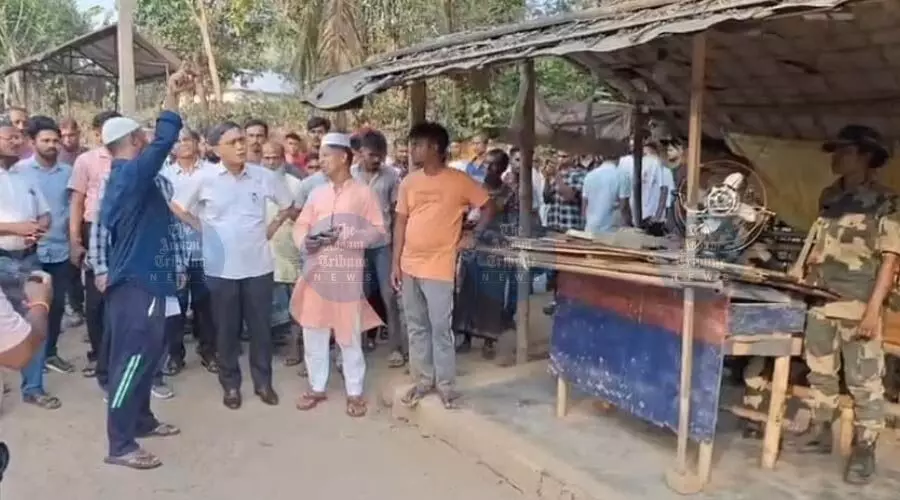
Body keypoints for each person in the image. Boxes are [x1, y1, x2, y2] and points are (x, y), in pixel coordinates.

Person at [785, 125, 900, 485]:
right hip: (822, 298)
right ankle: (821, 430)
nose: (836, 157)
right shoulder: (830, 196)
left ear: (866, 156)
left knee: (864, 380)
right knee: (820, 370)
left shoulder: (887, 203)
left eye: (845, 151)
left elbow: (890, 261)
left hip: (857, 303)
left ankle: (865, 448)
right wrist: (803, 273)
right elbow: (819, 243)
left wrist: (872, 311)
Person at [97, 69, 192, 470]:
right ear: (135, 140)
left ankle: (141, 421)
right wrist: (171, 94)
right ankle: (120, 444)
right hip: (137, 285)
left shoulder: (128, 180)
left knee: (146, 358)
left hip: (145, 282)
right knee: (131, 362)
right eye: (143, 136)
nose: (148, 140)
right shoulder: (131, 175)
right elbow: (166, 138)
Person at [173, 122, 294, 410]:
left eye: (242, 140)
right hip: (221, 269)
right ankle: (230, 385)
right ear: (216, 149)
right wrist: (202, 228)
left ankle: (263, 383)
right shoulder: (204, 178)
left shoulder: (262, 176)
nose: (241, 146)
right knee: (226, 330)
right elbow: (177, 206)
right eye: (233, 142)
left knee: (260, 329)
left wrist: (272, 227)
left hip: (258, 265)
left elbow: (288, 204)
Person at [393, 122, 495, 409]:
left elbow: (489, 206)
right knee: (416, 326)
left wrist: (473, 235)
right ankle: (422, 381)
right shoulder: (409, 182)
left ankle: (446, 386)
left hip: (439, 266)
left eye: (417, 145)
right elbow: (400, 222)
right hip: (409, 265)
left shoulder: (459, 181)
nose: (412, 150)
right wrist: (395, 263)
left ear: (435, 148)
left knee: (440, 327)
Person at [292, 132, 385, 417]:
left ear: (343, 157)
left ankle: (354, 392)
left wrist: (347, 238)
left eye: (325, 156)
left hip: (346, 275)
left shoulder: (363, 193)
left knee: (349, 334)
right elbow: (301, 225)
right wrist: (307, 241)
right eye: (319, 156)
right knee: (313, 331)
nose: (320, 161)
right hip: (316, 273)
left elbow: (378, 231)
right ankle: (316, 387)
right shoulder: (317, 193)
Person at [0, 117, 55, 409]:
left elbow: (45, 213)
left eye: (18, 137)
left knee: (36, 315)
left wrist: (40, 227)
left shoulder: (26, 175)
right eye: (9, 137)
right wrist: (15, 228)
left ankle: (33, 388)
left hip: (28, 257)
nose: (16, 141)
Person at [16, 117, 76, 377]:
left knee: (57, 306)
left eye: (55, 140)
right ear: (32, 142)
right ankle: (28, 360)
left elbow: (73, 208)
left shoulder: (67, 172)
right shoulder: (20, 171)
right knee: (30, 308)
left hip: (60, 249)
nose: (52, 145)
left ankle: (50, 353)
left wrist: (74, 242)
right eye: (46, 140)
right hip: (29, 252)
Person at [69, 110, 121, 379]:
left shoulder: (130, 157)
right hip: (93, 230)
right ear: (98, 133)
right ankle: (99, 355)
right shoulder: (86, 161)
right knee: (96, 297)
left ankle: (119, 353)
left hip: (124, 230)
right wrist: (75, 240)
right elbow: (77, 202)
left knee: (122, 294)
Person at [351, 130, 405, 366]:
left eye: (380, 156)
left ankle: (396, 348)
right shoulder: (350, 175)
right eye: (372, 155)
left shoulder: (391, 176)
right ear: (360, 152)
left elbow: (396, 212)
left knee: (389, 296)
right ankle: (360, 345)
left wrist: (396, 247)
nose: (376, 160)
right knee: (359, 295)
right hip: (356, 246)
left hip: (383, 245)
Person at [260, 141, 302, 346]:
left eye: (275, 158)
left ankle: (295, 346)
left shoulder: (295, 184)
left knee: (295, 299)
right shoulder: (253, 183)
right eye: (266, 158)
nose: (270, 163)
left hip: (289, 248)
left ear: (283, 159)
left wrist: (287, 208)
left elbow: (302, 217)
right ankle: (266, 344)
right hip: (262, 250)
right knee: (262, 301)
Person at [582, 154, 630, 235]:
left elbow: (584, 205)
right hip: (612, 230)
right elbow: (624, 206)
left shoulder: (589, 175)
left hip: (591, 227)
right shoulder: (622, 175)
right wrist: (627, 224)